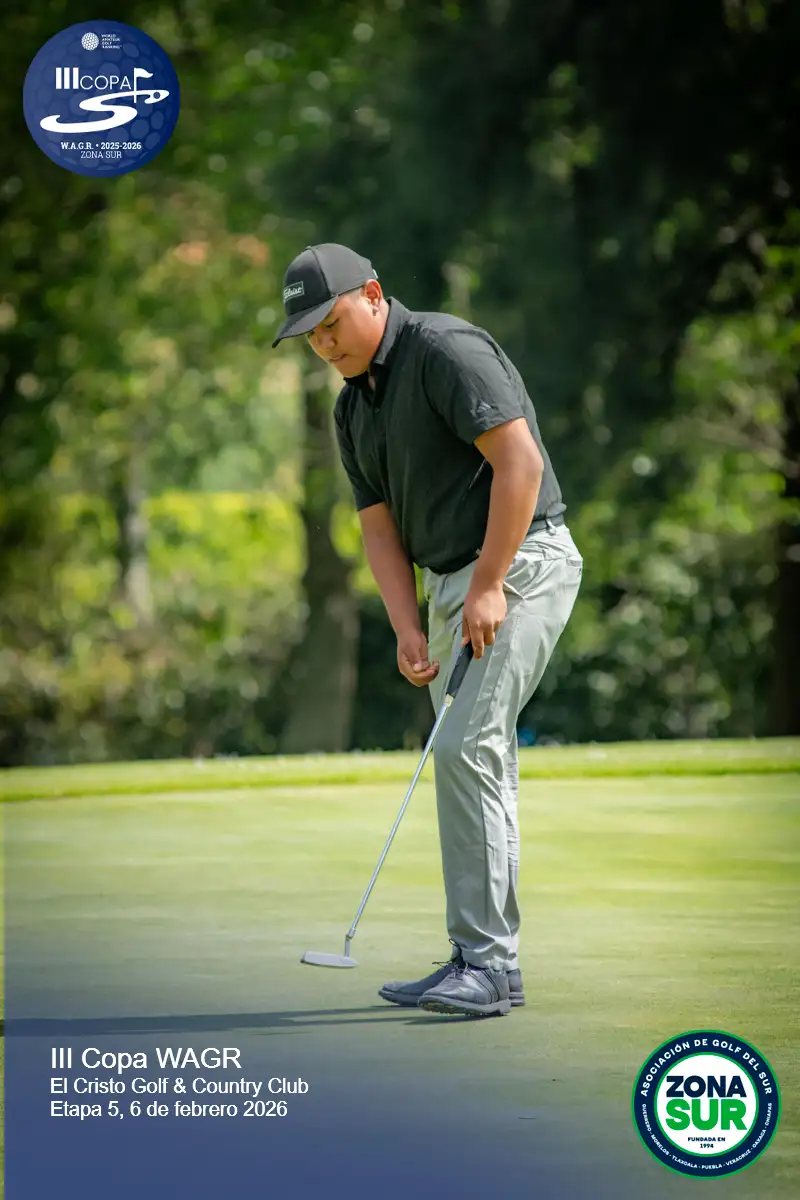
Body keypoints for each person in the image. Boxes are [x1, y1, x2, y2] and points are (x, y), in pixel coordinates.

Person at [272, 243, 583, 1017]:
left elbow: (520, 465)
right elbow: (379, 528)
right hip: (449, 586)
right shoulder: (353, 410)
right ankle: (490, 964)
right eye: (311, 336)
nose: (324, 344)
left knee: (463, 747)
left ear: (374, 295)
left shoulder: (444, 349)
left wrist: (488, 584)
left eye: (331, 323)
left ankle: (484, 962)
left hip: (520, 561)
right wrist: (406, 625)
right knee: (481, 759)